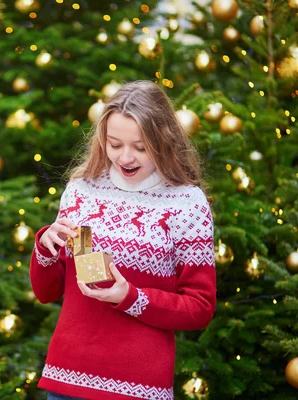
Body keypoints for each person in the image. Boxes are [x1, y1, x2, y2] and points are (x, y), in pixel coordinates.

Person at [30, 80, 216, 400]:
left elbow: (199, 308)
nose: (125, 157)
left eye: (141, 147)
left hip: (138, 386)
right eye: (114, 144)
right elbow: (48, 292)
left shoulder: (187, 204)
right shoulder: (82, 191)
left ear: (164, 141)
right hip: (66, 380)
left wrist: (130, 297)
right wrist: (46, 248)